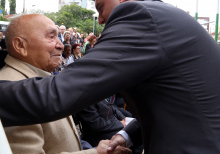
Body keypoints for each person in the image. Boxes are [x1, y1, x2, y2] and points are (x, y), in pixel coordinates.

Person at [0, 0, 220, 154]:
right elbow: (174, 103)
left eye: (100, 7)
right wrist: (127, 134)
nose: (99, 19)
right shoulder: (162, 17)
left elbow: (59, 93)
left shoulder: (139, 16)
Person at [0, 13, 129, 154]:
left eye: (58, 36)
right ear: (20, 45)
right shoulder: (12, 89)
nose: (61, 45)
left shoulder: (38, 78)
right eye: (51, 37)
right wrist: (96, 152)